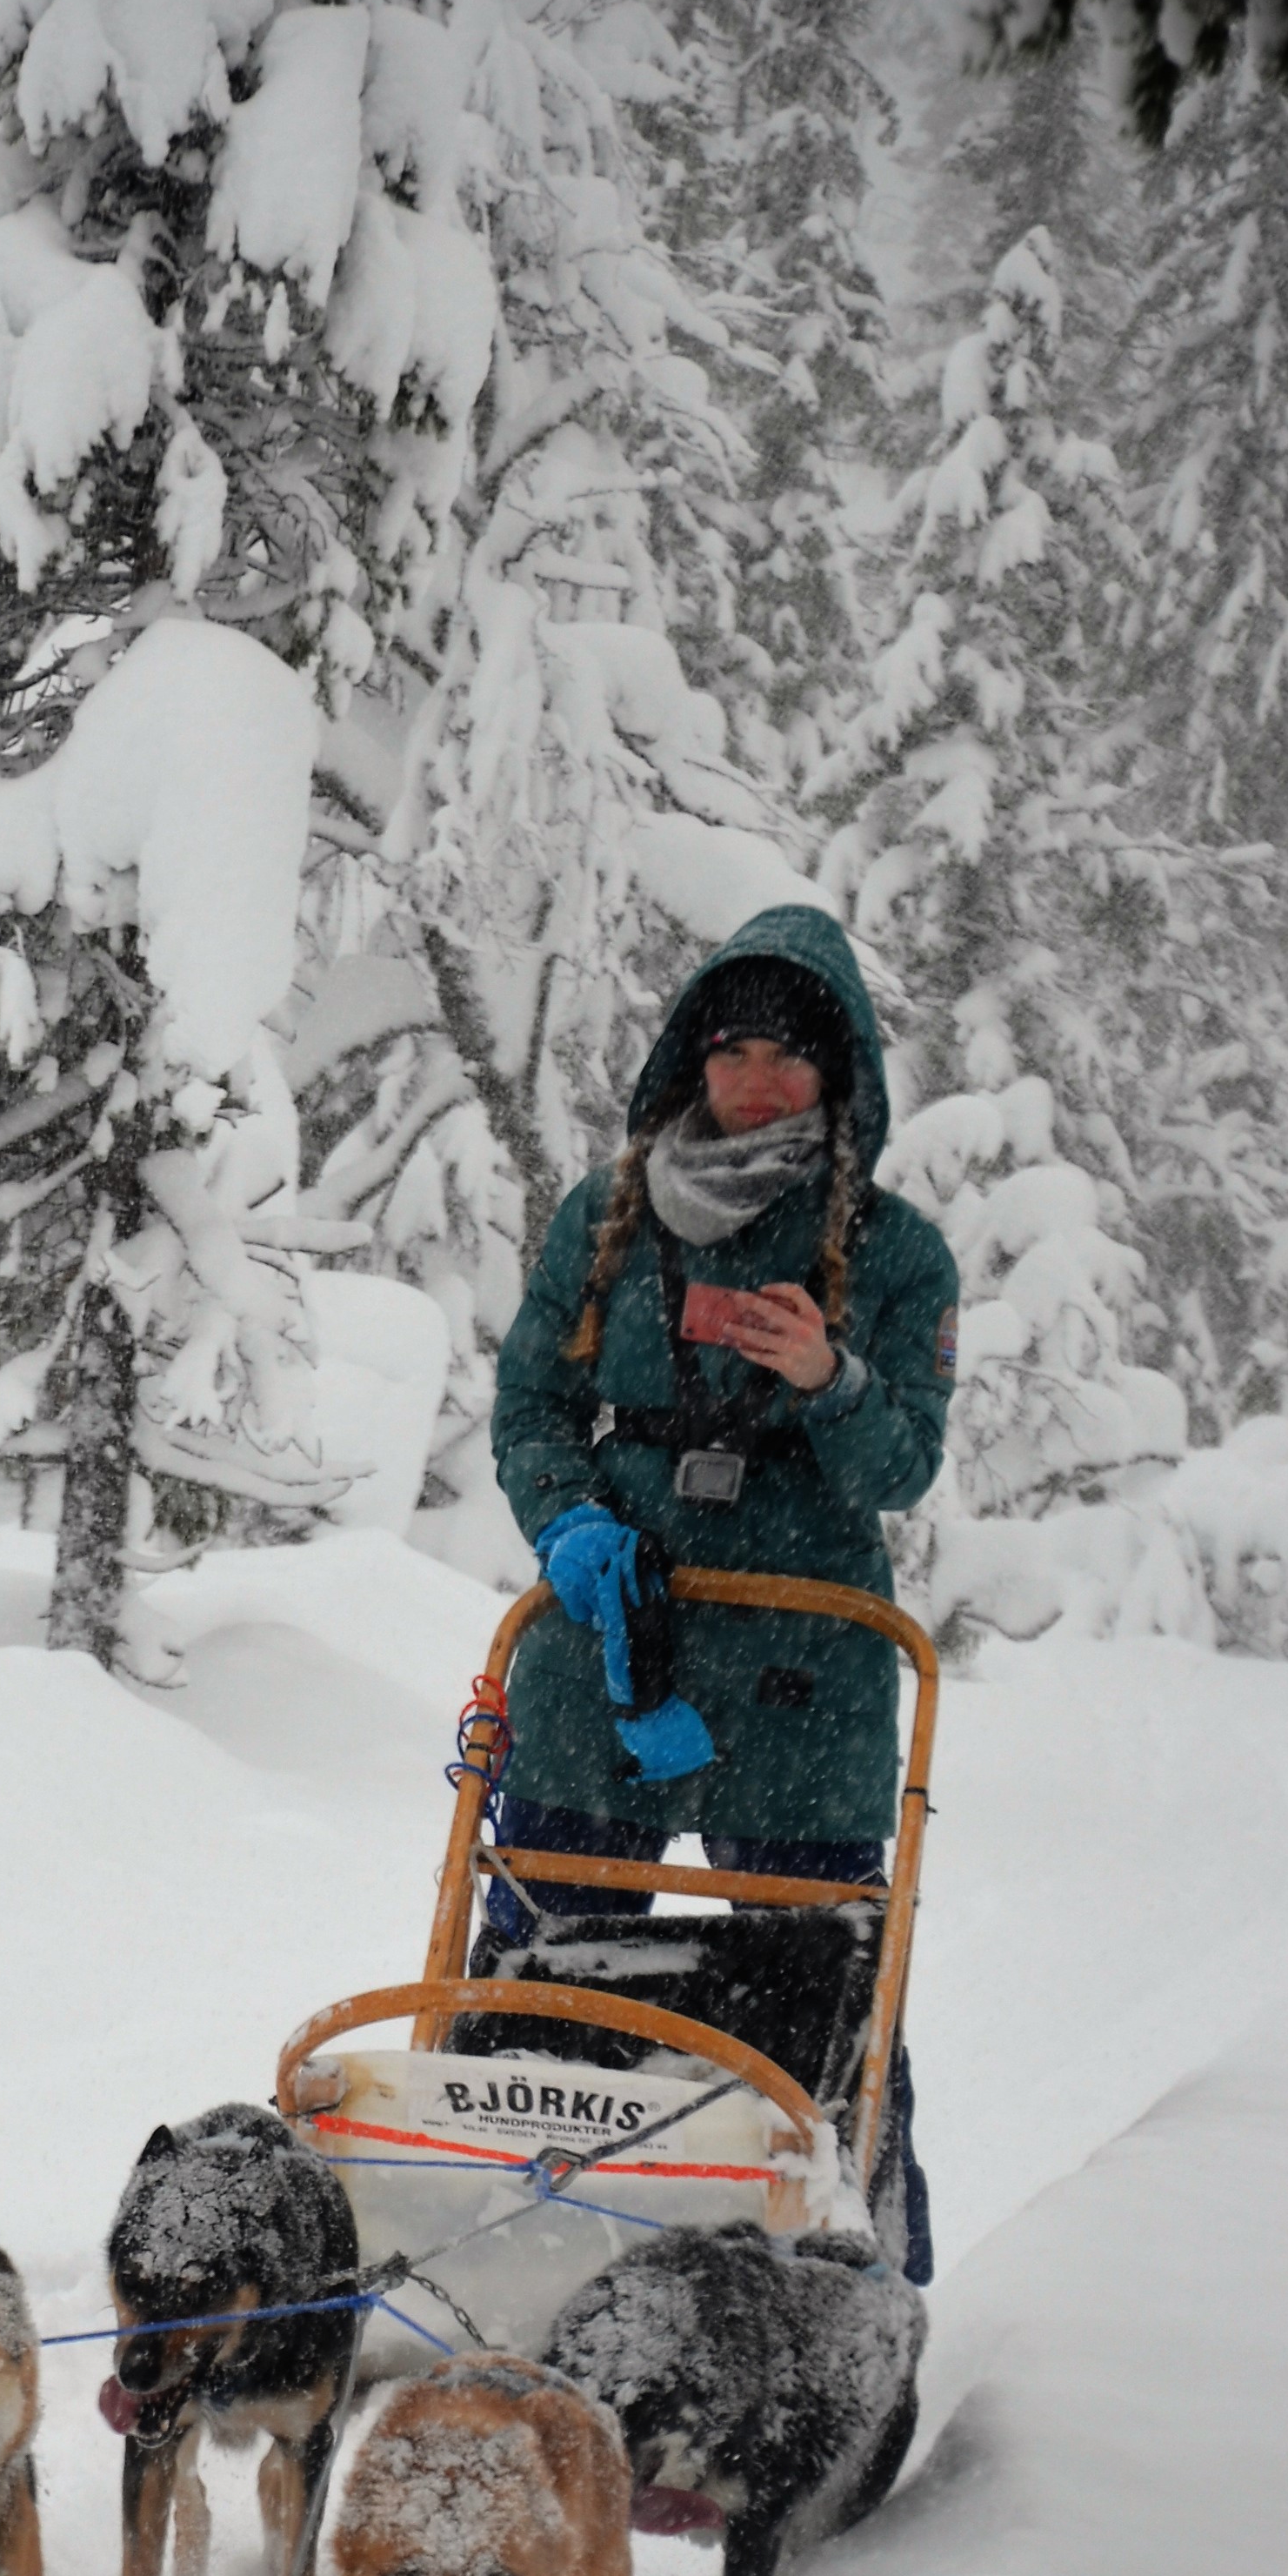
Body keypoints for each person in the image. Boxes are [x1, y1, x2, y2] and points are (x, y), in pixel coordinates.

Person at [484, 906, 955, 2277]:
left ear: (838, 1078)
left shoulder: (896, 1253)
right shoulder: (608, 1217)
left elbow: (904, 1465)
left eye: (789, 1058)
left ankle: (867, 2270)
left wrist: (830, 1378)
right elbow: (532, 1404)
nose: (757, 1080)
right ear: (694, 1059)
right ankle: (506, 2228)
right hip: (609, 1648)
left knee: (825, 1984)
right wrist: (568, 1521)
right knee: (541, 1960)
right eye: (734, 1049)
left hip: (805, 1668)